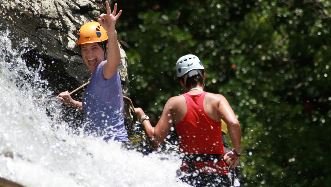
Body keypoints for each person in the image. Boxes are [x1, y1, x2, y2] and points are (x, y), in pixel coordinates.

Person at [134, 54, 241, 186]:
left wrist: (142, 116)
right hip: (217, 174)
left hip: (190, 175)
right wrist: (236, 152)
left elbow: (155, 139)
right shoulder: (217, 100)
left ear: (181, 81)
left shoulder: (174, 103)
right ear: (203, 75)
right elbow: (234, 123)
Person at [57, 1, 128, 142]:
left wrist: (111, 32)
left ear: (105, 49)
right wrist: (72, 103)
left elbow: (114, 62)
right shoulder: (97, 75)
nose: (89, 55)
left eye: (94, 48)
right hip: (102, 147)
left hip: (112, 146)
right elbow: (96, 110)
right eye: (85, 49)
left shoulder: (104, 68)